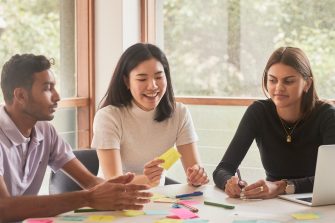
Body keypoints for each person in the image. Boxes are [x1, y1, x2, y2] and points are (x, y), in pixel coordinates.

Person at [0, 54, 152, 222]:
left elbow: (90, 182)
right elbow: (3, 208)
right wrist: (88, 198)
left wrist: (114, 191)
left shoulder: (45, 131)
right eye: (47, 88)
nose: (57, 96)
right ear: (20, 95)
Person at [213, 47, 335, 199]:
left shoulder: (327, 115)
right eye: (272, 80)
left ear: (307, 84)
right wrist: (230, 183)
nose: (279, 88)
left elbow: (332, 179)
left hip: (318, 203)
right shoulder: (258, 112)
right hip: (274, 203)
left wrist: (282, 187)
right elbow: (222, 170)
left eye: (288, 81)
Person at [91, 43, 209, 187]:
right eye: (142, 79)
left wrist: (196, 176)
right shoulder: (108, 117)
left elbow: (194, 169)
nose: (152, 86)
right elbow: (114, 182)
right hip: (114, 202)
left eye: (159, 77)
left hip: (158, 200)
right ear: (126, 81)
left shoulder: (179, 113)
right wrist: (147, 179)